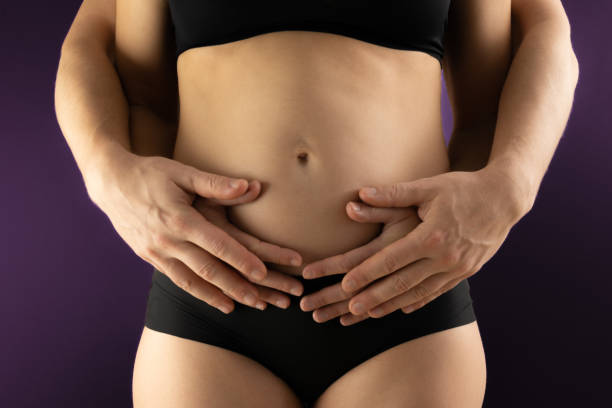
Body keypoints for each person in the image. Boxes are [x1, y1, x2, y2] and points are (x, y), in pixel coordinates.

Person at [54, 0, 578, 407]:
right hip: (213, 299)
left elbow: (534, 35)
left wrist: (514, 185)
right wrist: (107, 174)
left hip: (404, 298)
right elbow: (116, 64)